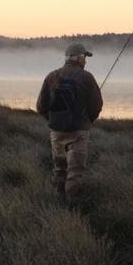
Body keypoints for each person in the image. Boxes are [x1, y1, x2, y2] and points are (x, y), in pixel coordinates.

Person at [36, 43, 103, 206]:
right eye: (85, 57)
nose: (85, 61)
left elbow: (40, 107)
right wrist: (88, 121)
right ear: (79, 57)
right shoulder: (87, 77)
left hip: (56, 132)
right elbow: (97, 105)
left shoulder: (51, 76)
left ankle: (58, 205)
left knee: (59, 170)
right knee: (75, 173)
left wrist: (53, 121)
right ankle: (73, 210)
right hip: (79, 132)